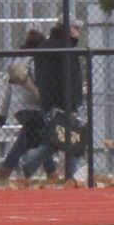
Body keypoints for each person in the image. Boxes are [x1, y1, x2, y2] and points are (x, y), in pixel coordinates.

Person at [23, 21, 85, 179]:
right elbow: (68, 80)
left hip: (49, 101)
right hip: (62, 103)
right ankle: (32, 164)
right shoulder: (64, 49)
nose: (78, 31)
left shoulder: (47, 46)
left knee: (59, 140)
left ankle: (32, 165)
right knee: (72, 139)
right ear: (67, 29)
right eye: (75, 28)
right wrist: (70, 106)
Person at [0, 29, 46, 181]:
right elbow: (39, 88)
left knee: (36, 138)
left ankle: (51, 173)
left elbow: (6, 89)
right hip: (34, 108)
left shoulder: (16, 62)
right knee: (34, 141)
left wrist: (2, 114)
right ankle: (4, 174)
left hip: (19, 110)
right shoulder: (36, 62)